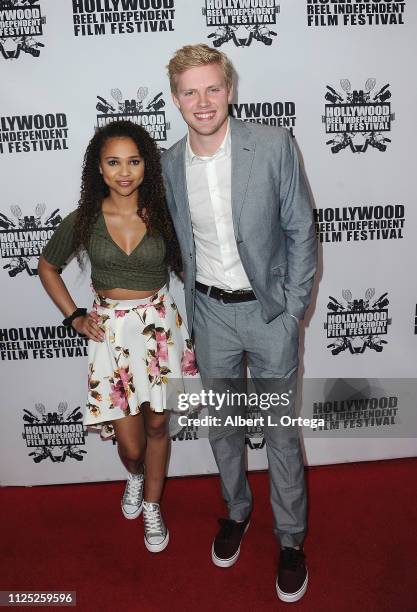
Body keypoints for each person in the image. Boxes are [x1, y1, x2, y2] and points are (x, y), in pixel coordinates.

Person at [162, 44, 317, 602]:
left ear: (229, 89)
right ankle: (237, 511)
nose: (203, 101)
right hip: (210, 314)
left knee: (280, 433)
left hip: (269, 314)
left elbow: (301, 229)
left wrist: (293, 309)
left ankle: (292, 540)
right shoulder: (168, 162)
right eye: (190, 91)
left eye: (212, 88)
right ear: (176, 99)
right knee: (224, 429)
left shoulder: (273, 144)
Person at [38, 120, 198, 553]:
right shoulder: (85, 219)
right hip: (112, 336)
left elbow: (193, 271)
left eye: (133, 160)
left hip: (160, 330)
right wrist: (74, 316)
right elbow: (47, 266)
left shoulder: (165, 214)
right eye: (113, 162)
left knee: (159, 424)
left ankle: (152, 506)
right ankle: (136, 474)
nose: (124, 171)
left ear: (147, 164)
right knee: (131, 443)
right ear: (99, 169)